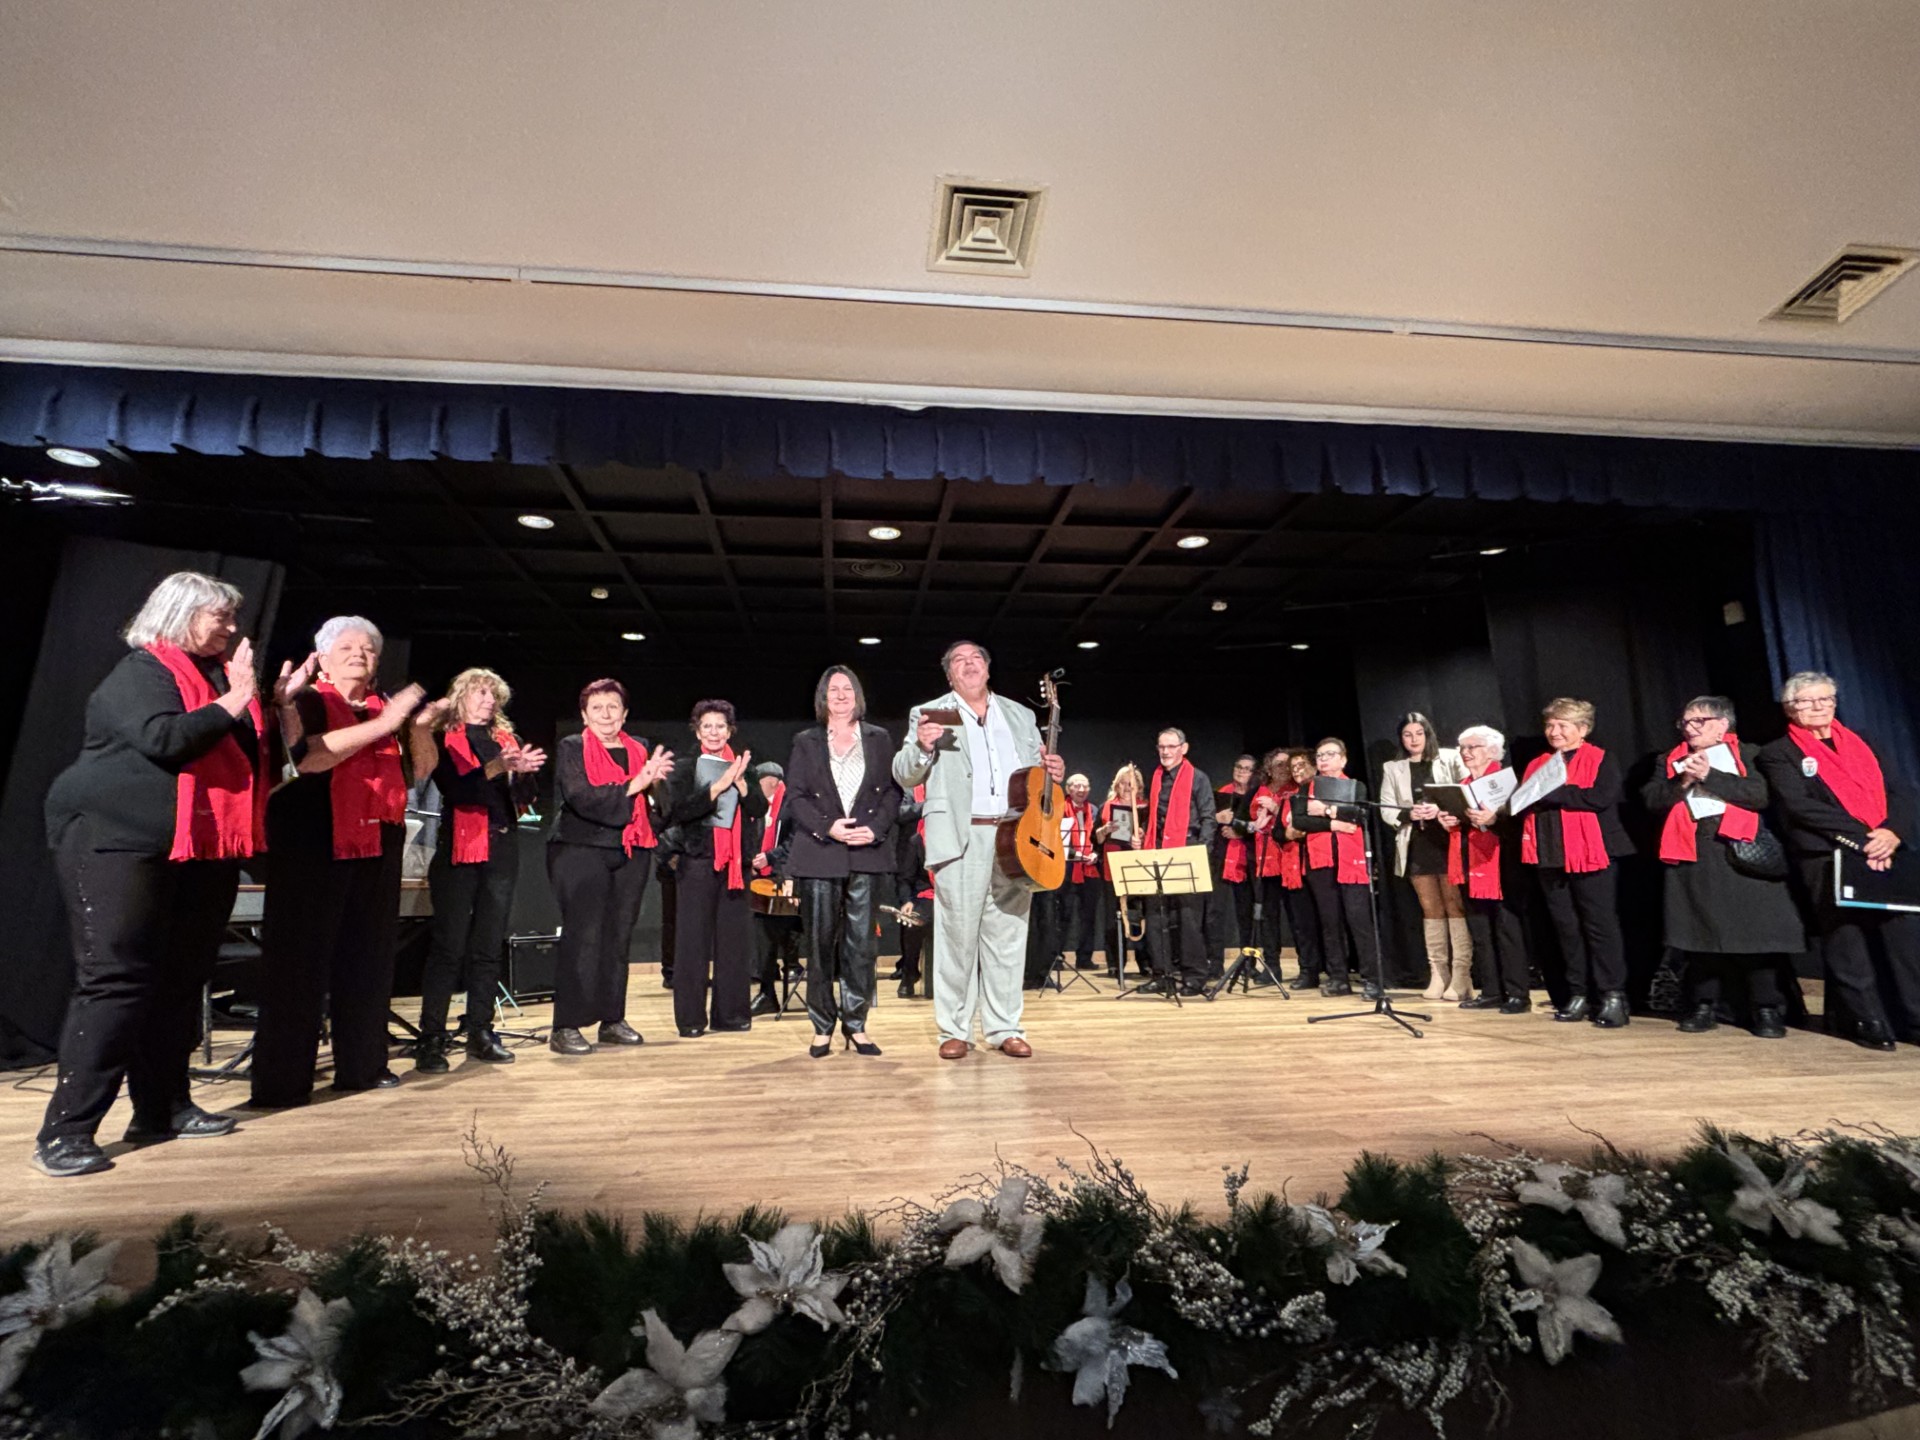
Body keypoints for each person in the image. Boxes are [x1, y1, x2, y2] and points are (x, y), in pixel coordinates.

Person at [32, 573, 286, 1177]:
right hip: (115, 839)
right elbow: (164, 739)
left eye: (231, 618)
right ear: (178, 616)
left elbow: (253, 761)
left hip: (196, 848)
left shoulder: (214, 681)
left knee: (180, 980)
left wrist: (265, 704)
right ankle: (65, 1132)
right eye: (219, 617)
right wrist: (237, 695)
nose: (231, 628)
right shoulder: (141, 673)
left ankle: (162, 1108)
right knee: (117, 980)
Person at [250, 616, 426, 1108]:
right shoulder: (305, 699)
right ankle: (282, 1082)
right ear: (322, 657)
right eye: (346, 647)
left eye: (368, 649)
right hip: (313, 842)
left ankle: (363, 1066)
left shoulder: (384, 707)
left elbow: (416, 775)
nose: (359, 655)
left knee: (368, 960)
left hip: (378, 841)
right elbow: (307, 759)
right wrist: (385, 726)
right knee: (299, 965)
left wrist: (420, 729)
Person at [893, 639, 1064, 1060]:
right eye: (958, 661)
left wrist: (1054, 772)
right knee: (956, 939)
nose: (968, 666)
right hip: (959, 835)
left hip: (1014, 836)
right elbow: (903, 772)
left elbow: (1036, 775)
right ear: (948, 674)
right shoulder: (929, 713)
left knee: (1008, 935)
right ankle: (954, 1031)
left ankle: (1005, 1026)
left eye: (975, 660)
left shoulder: (1020, 715)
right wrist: (923, 747)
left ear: (988, 669)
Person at [1757, 671, 1920, 1051]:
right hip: (1828, 854)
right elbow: (1800, 807)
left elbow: (1902, 790)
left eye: (1826, 699)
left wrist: (1892, 833)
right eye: (1808, 701)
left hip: (1887, 849)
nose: (1818, 707)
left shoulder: (1867, 741)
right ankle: (1867, 1019)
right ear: (1790, 708)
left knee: (1905, 941)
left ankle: (1913, 1018)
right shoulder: (1778, 752)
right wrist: (1863, 839)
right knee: (1845, 939)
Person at [408, 668, 546, 1072]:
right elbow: (455, 789)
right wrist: (497, 768)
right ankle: (431, 1037)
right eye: (481, 694)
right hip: (459, 848)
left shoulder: (507, 741)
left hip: (502, 847)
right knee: (449, 947)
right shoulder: (444, 738)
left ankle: (481, 1031)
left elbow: (524, 800)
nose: (489, 701)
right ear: (461, 697)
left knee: (488, 947)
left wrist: (522, 774)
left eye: (494, 696)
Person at [1642, 697, 1804, 1039]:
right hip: (1693, 852)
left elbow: (1758, 795)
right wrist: (1682, 781)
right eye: (1685, 722)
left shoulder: (1749, 754)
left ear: (1721, 724)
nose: (1689, 728)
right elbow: (1653, 800)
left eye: (1698, 721)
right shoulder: (1668, 760)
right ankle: (1704, 1005)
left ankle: (1766, 1008)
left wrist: (1709, 776)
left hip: (1741, 849)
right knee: (1700, 934)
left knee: (1757, 935)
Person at [545, 679, 671, 1055]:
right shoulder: (572, 747)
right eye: (597, 708)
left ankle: (611, 1018)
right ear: (584, 715)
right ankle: (565, 1025)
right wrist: (635, 785)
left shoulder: (640, 749)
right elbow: (582, 797)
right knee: (583, 937)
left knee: (618, 937)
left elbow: (658, 804)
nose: (605, 714)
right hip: (579, 848)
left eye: (613, 707)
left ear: (625, 713)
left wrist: (655, 786)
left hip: (631, 850)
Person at [784, 665, 901, 1057]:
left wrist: (877, 829)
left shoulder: (880, 738)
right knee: (819, 944)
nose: (840, 694)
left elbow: (893, 793)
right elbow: (795, 797)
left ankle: (857, 1025)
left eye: (847, 687)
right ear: (822, 696)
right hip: (820, 852)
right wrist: (828, 828)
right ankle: (822, 1027)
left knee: (861, 946)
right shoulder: (806, 740)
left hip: (866, 851)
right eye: (832, 689)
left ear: (857, 695)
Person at [1518, 698, 1635, 1028]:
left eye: (1562, 725)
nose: (1553, 731)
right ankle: (1579, 993)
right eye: (1550, 725)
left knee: (1599, 926)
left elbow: (1598, 798)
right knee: (1566, 928)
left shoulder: (1601, 758)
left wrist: (1550, 793)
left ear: (1582, 729)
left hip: (1593, 852)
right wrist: (1557, 793)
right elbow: (1524, 799)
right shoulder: (1537, 762)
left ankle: (1613, 995)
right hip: (1550, 853)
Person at [660, 700, 758, 1038]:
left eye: (720, 726)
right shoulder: (686, 767)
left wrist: (742, 784)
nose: (714, 732)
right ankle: (690, 1020)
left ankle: (731, 1015)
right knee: (692, 944)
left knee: (733, 943)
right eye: (707, 726)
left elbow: (758, 806)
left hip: (736, 865)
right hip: (698, 861)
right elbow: (679, 811)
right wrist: (717, 787)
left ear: (730, 730)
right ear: (698, 730)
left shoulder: (745, 764)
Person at [1379, 713, 1473, 1001]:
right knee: (1430, 907)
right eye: (1407, 734)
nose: (1413, 739)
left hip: (1447, 839)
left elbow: (1466, 791)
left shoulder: (1449, 758)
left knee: (1454, 904)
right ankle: (1438, 973)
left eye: (1419, 733)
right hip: (1417, 842)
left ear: (1428, 734)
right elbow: (1386, 808)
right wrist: (1410, 813)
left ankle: (1462, 975)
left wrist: (1441, 808)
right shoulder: (1393, 768)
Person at [1445, 726, 1532, 1013]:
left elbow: (1522, 822)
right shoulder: (1462, 783)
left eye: (1473, 747)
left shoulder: (1510, 781)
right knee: (1480, 929)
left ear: (1493, 750)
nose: (1466, 753)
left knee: (1507, 929)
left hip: (1503, 861)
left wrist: (1496, 819)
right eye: (1463, 748)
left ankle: (1518, 993)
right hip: (1471, 861)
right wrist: (1447, 819)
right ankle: (1491, 990)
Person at [1290, 738, 1377, 996]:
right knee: (1330, 923)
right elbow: (1301, 820)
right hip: (1321, 861)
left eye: (1329, 754)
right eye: (1319, 756)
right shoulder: (1307, 788)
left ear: (1343, 759)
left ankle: (1372, 978)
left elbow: (1360, 814)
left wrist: (1326, 810)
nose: (1324, 759)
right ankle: (1338, 978)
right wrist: (1335, 823)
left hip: (1352, 861)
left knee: (1359, 920)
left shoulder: (1355, 786)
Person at [1134, 728, 1216, 995]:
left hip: (1188, 848)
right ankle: (1162, 974)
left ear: (1184, 748)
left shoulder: (1198, 778)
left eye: (1171, 746)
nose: (1165, 752)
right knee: (1156, 916)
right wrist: (1143, 836)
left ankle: (1195, 975)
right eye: (1161, 747)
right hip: (1157, 851)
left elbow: (1208, 818)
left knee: (1189, 918)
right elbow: (1156, 818)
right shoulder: (1156, 777)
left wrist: (1200, 854)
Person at [1252, 748, 1323, 989]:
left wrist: (1275, 809)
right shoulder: (1259, 791)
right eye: (1278, 765)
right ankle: (1271, 967)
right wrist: (1252, 825)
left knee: (1300, 920)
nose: (1284, 769)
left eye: (1288, 765)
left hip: (1294, 863)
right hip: (1267, 863)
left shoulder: (1297, 791)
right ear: (1269, 769)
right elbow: (1245, 824)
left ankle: (1309, 968)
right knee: (1269, 918)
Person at [746, 761, 800, 1017]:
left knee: (773, 927)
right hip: (770, 881)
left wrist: (770, 857)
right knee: (761, 926)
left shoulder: (791, 802)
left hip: (796, 879)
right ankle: (767, 992)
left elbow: (796, 840)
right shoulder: (764, 809)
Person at [1095, 764, 1147, 981]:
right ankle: (1116, 964)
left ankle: (1146, 962)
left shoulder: (1146, 808)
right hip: (1112, 867)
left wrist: (1143, 835)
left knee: (1139, 914)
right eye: (1124, 783)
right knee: (1112, 917)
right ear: (1117, 785)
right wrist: (1106, 830)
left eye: (1131, 784)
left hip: (1138, 866)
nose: (1127, 787)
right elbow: (1094, 839)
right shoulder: (1107, 807)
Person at [1209, 755, 1258, 976]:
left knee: (1246, 914)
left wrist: (1240, 832)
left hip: (1247, 861)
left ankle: (1248, 965)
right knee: (1215, 913)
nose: (1241, 771)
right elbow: (1203, 821)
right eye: (1238, 766)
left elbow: (1260, 828)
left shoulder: (1256, 797)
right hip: (1219, 859)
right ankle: (1215, 964)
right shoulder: (1219, 794)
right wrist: (1215, 818)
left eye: (1247, 769)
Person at [1061, 773, 1103, 971]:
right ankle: (1056, 956)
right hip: (1067, 868)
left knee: (1089, 916)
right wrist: (1075, 854)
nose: (1081, 790)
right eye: (1077, 786)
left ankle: (1084, 957)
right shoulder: (1060, 808)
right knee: (1063, 914)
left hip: (1090, 870)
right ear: (1068, 789)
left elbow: (1096, 838)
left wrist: (1094, 853)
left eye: (1085, 786)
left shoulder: (1094, 810)